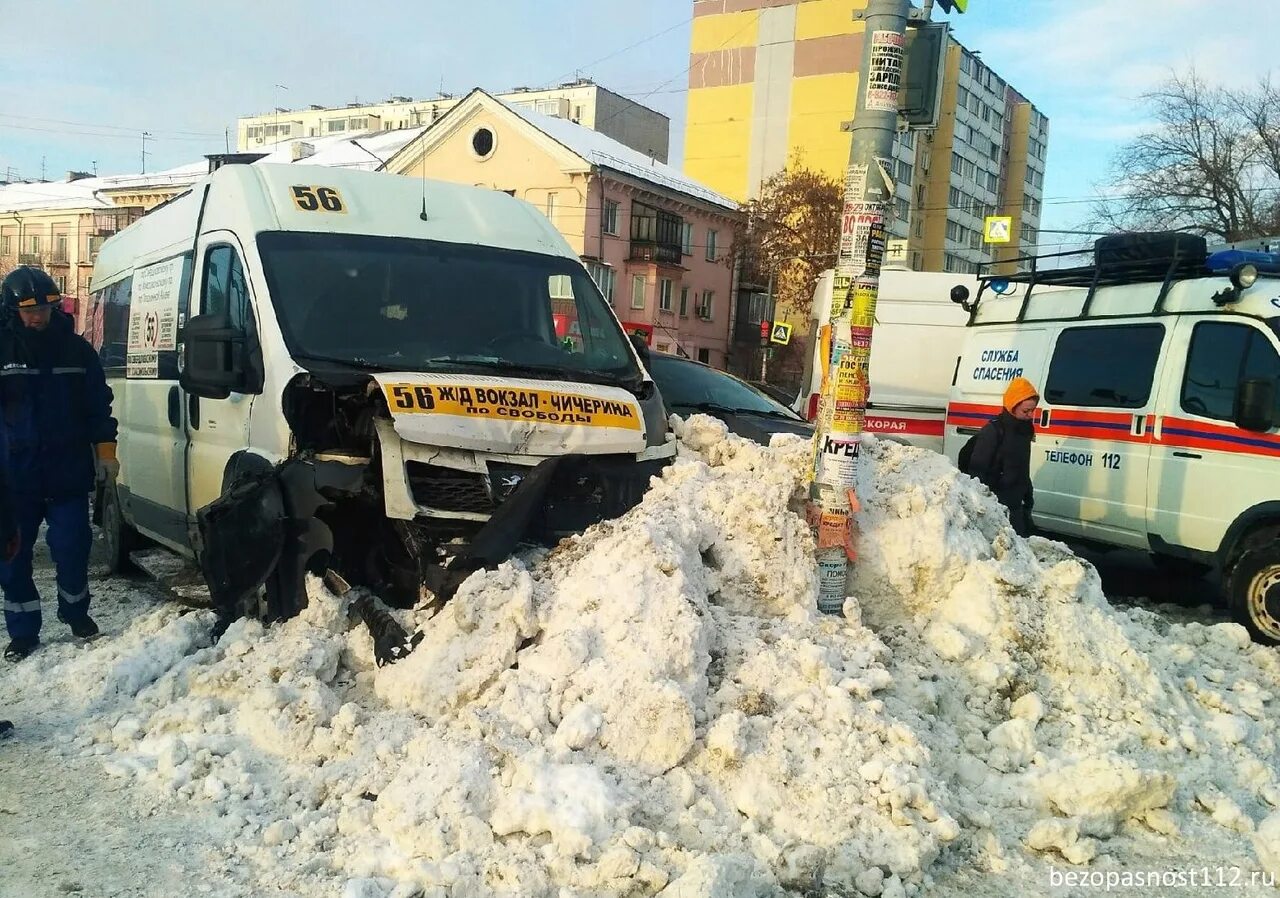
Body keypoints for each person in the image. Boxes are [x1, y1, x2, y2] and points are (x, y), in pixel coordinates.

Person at [0, 267, 118, 662]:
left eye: (47, 309)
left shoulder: (77, 350)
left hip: (67, 472)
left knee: (72, 548)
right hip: (15, 479)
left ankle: (76, 613)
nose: (39, 317)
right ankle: (23, 631)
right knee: (13, 559)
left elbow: (98, 405)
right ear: (11, 309)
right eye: (30, 311)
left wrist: (105, 451)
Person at [969, 377, 1039, 537]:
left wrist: (1028, 497)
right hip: (997, 508)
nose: (1030, 415)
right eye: (1025, 411)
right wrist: (984, 505)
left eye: (1032, 411)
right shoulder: (993, 431)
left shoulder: (1025, 430)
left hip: (1016, 507)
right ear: (1012, 407)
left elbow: (1022, 467)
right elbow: (977, 472)